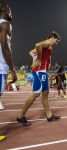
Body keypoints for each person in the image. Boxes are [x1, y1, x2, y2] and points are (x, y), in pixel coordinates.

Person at [17, 31, 61, 126]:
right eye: (56, 41)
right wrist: (39, 60)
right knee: (36, 93)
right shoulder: (48, 42)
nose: (56, 43)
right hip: (39, 71)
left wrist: (36, 59)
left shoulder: (48, 46)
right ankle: (20, 116)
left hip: (43, 71)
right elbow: (37, 45)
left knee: (45, 93)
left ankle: (49, 115)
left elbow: (31, 52)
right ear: (52, 38)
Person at [0, 1, 17, 141]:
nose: (11, 12)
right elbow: (5, 48)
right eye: (9, 9)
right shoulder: (5, 24)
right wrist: (13, 70)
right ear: (4, 9)